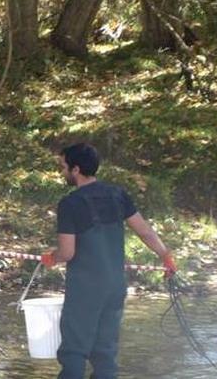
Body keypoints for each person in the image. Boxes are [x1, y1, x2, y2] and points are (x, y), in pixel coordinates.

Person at [41, 143, 178, 379]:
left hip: (85, 288)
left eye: (63, 167)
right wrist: (165, 256)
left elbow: (68, 252)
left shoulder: (70, 204)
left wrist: (52, 258)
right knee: (105, 353)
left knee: (74, 350)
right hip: (115, 286)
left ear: (76, 169)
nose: (61, 172)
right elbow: (145, 232)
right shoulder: (118, 194)